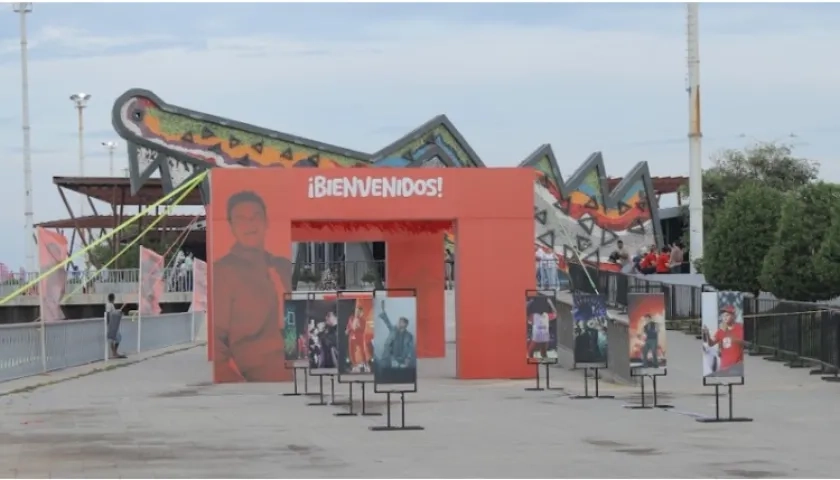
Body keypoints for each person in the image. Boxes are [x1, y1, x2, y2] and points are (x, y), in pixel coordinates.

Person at [213, 191, 293, 382]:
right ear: (231, 226)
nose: (250, 224)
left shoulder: (282, 265)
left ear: (266, 222)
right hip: (258, 376)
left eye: (256, 217)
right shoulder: (224, 271)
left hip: (295, 368)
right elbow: (217, 344)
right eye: (241, 219)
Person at [702, 304, 744, 373]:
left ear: (733, 316)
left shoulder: (739, 328)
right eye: (723, 316)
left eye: (727, 315)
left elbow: (743, 342)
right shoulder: (721, 331)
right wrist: (707, 334)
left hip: (737, 365)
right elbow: (711, 344)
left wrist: (729, 334)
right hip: (724, 367)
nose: (724, 318)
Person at [378, 300, 415, 369]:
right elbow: (387, 322)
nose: (397, 323)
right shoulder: (393, 330)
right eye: (398, 321)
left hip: (403, 361)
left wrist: (408, 359)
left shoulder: (409, 336)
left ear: (405, 324)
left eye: (400, 322)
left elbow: (410, 349)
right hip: (392, 359)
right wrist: (383, 311)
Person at [346, 305, 370, 373]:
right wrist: (347, 330)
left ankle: (366, 364)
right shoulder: (351, 318)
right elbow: (349, 326)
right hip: (352, 336)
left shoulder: (363, 320)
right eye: (356, 311)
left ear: (361, 312)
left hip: (359, 336)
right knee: (351, 351)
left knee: (363, 351)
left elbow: (362, 329)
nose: (357, 313)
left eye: (358, 312)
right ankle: (355, 365)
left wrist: (357, 325)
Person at [105, 293, 126, 359]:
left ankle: (114, 352)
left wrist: (119, 312)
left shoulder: (110, 305)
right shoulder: (109, 305)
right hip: (112, 324)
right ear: (112, 298)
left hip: (112, 324)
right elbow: (108, 314)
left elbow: (112, 313)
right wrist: (109, 323)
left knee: (114, 338)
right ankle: (114, 353)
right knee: (117, 338)